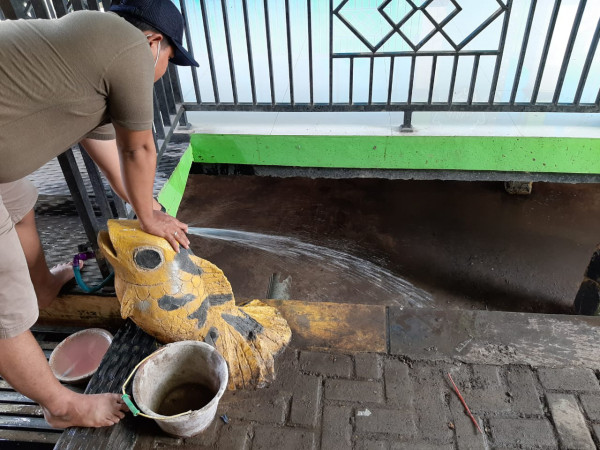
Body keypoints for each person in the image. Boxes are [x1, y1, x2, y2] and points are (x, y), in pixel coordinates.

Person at [0, 0, 198, 428]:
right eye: (170, 61)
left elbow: (117, 166)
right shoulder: (127, 49)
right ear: (153, 43)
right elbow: (139, 148)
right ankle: (62, 406)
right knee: (4, 307)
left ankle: (43, 286)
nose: (165, 72)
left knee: (20, 208)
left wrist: (154, 209)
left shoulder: (90, 57)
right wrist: (148, 220)